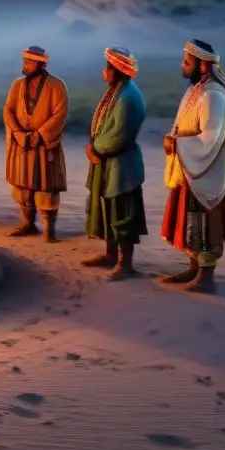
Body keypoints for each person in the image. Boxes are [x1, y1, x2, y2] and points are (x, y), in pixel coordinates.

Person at [159, 39, 225, 294]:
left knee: (204, 221)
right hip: (189, 168)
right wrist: (173, 139)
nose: (182, 66)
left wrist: (176, 145)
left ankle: (206, 277)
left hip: (205, 171)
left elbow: (209, 139)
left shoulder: (214, 96)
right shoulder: (197, 90)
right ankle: (193, 267)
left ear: (203, 65)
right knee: (189, 220)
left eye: (187, 62)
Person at [83, 47, 147, 278]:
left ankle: (125, 263)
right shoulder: (118, 92)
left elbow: (119, 134)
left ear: (119, 70)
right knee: (106, 210)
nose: (105, 71)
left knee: (122, 213)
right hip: (108, 163)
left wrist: (95, 149)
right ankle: (111, 255)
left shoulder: (128, 97)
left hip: (120, 166)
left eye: (109, 67)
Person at [2, 46, 69, 242]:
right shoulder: (17, 85)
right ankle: (27, 224)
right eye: (24, 61)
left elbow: (60, 114)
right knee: (22, 186)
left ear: (41, 64)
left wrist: (40, 134)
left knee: (47, 187)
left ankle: (49, 229)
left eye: (29, 62)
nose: (25, 65)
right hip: (21, 145)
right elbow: (8, 110)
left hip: (43, 146)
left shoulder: (56, 85)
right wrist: (17, 132)